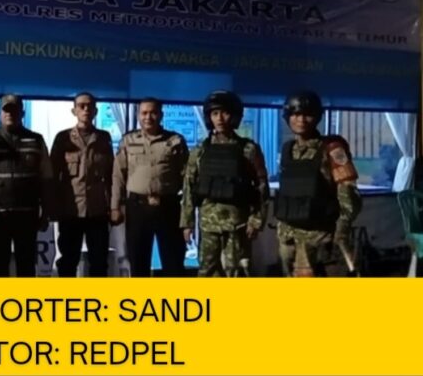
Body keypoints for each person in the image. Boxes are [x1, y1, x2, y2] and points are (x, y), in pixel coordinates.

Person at [180, 91, 269, 277]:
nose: (219, 118)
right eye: (215, 113)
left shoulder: (248, 149)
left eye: (225, 113)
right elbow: (189, 186)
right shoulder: (200, 151)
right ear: (209, 117)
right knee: (207, 272)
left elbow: (261, 186)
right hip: (208, 224)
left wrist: (256, 220)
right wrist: (187, 223)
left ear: (234, 116)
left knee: (235, 272)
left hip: (238, 224)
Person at [275, 90, 362, 276]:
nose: (301, 120)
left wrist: (342, 229)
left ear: (317, 117)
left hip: (318, 235)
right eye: (296, 114)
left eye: (307, 114)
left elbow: (347, 191)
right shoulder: (288, 149)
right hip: (288, 235)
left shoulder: (332, 148)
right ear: (288, 116)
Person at [0, 94, 53, 277]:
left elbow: (46, 179)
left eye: (14, 110)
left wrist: (46, 213)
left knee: (26, 268)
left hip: (26, 216)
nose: (10, 114)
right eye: (6, 110)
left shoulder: (36, 140)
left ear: (22, 113)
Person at [111, 97, 189, 277]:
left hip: (168, 207)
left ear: (161, 115)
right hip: (137, 208)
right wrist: (115, 207)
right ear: (138, 115)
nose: (148, 117)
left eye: (153, 113)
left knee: (174, 263)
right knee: (138, 263)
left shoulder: (175, 141)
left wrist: (188, 215)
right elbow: (118, 175)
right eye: (144, 113)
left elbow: (187, 178)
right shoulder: (128, 140)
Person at [50, 92, 114, 277]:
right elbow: (53, 175)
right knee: (68, 261)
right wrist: (52, 206)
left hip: (97, 210)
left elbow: (111, 175)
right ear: (74, 111)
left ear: (95, 111)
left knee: (99, 262)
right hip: (70, 210)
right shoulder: (63, 138)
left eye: (89, 106)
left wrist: (114, 206)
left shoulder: (103, 138)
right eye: (81, 106)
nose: (86, 109)